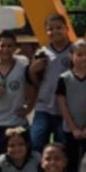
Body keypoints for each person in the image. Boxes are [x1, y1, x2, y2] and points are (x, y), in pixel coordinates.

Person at [0, 30, 34, 160]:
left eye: (10, 46)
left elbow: (33, 88)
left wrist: (29, 107)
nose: (6, 49)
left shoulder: (22, 68)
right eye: (2, 46)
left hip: (17, 121)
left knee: (22, 157)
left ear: (16, 48)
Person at [56, 39, 86, 172]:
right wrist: (73, 128)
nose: (84, 58)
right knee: (70, 161)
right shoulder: (64, 78)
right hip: (70, 129)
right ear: (72, 56)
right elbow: (62, 104)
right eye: (79, 54)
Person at [29, 14, 74, 152]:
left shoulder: (74, 51)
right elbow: (35, 82)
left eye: (59, 27)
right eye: (50, 29)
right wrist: (32, 70)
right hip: (43, 107)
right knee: (36, 144)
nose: (54, 32)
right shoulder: (42, 52)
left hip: (65, 109)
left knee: (63, 147)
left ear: (66, 28)